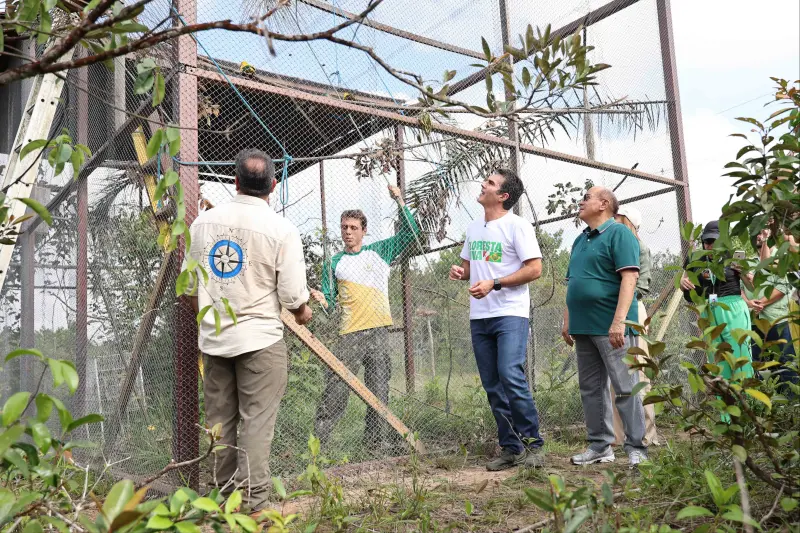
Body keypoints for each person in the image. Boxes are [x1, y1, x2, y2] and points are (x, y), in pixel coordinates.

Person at [185, 148, 312, 512]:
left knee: (219, 422)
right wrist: (303, 312)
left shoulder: (202, 224)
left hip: (214, 340)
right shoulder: (281, 229)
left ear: (235, 181)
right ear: (273, 185)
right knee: (256, 423)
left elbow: (190, 289)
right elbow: (291, 296)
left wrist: (209, 319)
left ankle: (224, 502)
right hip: (261, 341)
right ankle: (255, 505)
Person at [448, 169, 545, 471]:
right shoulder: (474, 228)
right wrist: (460, 273)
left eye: (489, 183)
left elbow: (534, 269)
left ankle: (533, 446)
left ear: (503, 196)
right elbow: (468, 268)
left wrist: (495, 283)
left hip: (510, 314)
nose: (482, 184)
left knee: (510, 375)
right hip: (480, 317)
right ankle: (510, 447)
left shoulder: (517, 226)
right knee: (493, 384)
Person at [310, 185, 420, 450]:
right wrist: (322, 301)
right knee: (336, 389)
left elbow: (411, 234)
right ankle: (319, 447)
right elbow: (330, 304)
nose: (348, 232)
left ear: (363, 230)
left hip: (379, 331)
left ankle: (374, 444)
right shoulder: (334, 262)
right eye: (344, 227)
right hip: (349, 334)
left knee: (378, 390)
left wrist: (400, 201)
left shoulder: (379, 252)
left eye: (353, 227)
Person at [561, 186, 648, 467]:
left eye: (587, 197)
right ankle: (600, 446)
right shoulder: (579, 240)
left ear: (604, 204)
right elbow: (572, 282)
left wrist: (619, 322)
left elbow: (630, 279)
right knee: (591, 388)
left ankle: (637, 448)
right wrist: (567, 320)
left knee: (625, 387)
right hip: (583, 327)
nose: (581, 201)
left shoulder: (620, 233)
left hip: (611, 326)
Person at [610, 206, 660, 447]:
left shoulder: (640, 247)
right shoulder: (611, 244)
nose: (613, 219)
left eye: (617, 217)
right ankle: (618, 437)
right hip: (611, 310)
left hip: (631, 310)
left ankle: (646, 435)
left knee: (638, 372)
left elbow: (641, 286)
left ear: (628, 220)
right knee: (614, 376)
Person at [680, 220, 753, 382]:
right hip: (709, 309)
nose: (710, 246)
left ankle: (746, 400)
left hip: (732, 309)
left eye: (715, 241)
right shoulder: (695, 258)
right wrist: (682, 283)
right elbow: (685, 283)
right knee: (716, 356)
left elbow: (752, 286)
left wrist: (745, 273)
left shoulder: (733, 256)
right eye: (707, 242)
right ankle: (724, 402)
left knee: (739, 354)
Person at [741, 229, 799, 391]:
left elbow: (781, 288)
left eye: (763, 233)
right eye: (757, 233)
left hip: (777, 321)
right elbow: (741, 289)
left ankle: (789, 405)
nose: (759, 236)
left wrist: (760, 304)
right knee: (757, 367)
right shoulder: (748, 263)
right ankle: (760, 404)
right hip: (754, 322)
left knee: (785, 367)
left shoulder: (781, 260)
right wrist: (749, 303)